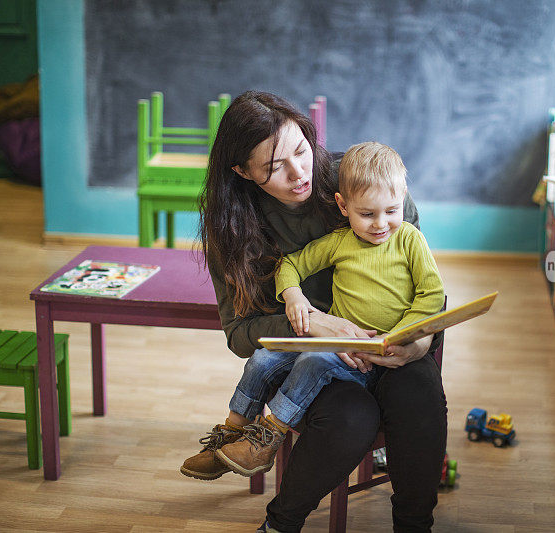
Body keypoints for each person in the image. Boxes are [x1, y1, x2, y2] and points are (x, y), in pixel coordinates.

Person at [181, 91, 448, 533]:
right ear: (241, 172)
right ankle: (280, 522)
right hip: (312, 359)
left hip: (394, 341)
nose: (299, 172)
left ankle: (415, 525)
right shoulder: (233, 225)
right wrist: (311, 323)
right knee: (349, 417)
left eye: (301, 151)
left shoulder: (365, 180)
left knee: (418, 399)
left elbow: (427, 286)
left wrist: (418, 341)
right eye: (273, 168)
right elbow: (239, 334)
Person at [204, 141, 444, 480]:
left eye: (391, 211)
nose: (380, 224)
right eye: (367, 214)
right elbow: (290, 265)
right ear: (343, 206)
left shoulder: (409, 239)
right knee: (262, 358)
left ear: (403, 196)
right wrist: (294, 297)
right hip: (334, 340)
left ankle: (268, 437)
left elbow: (432, 294)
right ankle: (231, 432)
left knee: (313, 361)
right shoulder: (339, 242)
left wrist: (404, 332)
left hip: (365, 355)